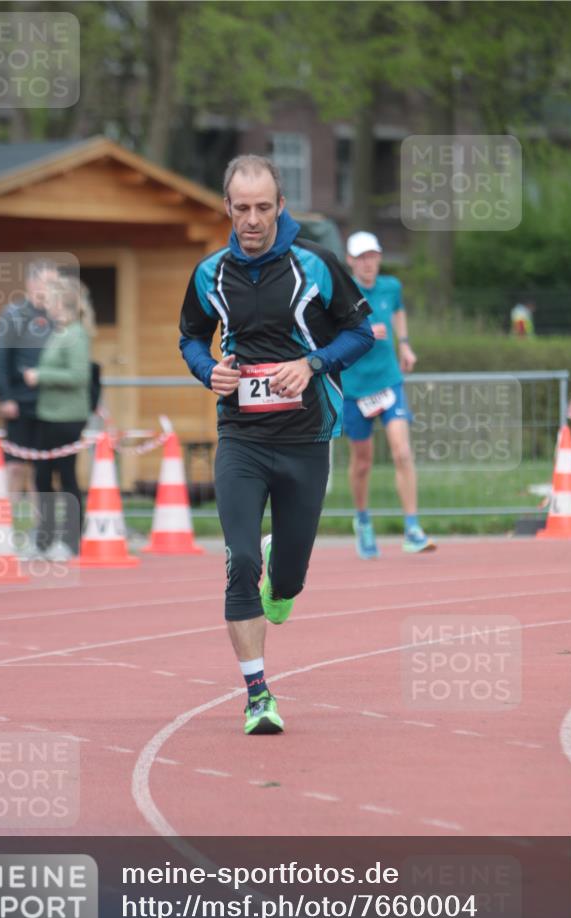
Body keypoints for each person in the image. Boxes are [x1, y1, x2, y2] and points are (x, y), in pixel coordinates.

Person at [179, 154, 374, 735]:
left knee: (285, 581)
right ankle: (257, 694)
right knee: (240, 562)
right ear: (227, 208)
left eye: (264, 207)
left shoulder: (317, 265)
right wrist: (207, 369)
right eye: (242, 209)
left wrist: (311, 364)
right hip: (240, 436)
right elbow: (190, 336)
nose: (253, 220)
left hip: (306, 438)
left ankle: (280, 576)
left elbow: (361, 333)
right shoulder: (209, 273)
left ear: (280, 205)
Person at [341, 232, 436, 558]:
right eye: (361, 257)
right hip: (354, 387)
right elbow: (326, 332)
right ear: (351, 261)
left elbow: (397, 311)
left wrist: (405, 343)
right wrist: (363, 333)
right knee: (363, 462)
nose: (368, 263)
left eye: (373, 256)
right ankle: (363, 520)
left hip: (388, 381)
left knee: (402, 452)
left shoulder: (391, 287)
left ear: (379, 258)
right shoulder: (341, 292)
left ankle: (412, 528)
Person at [22, 276, 92, 559]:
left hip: (66, 417)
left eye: (50, 299)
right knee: (41, 478)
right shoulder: (59, 332)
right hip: (48, 415)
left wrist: (40, 375)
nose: (45, 305)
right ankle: (45, 538)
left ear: (61, 303)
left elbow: (78, 376)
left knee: (65, 477)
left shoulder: (76, 334)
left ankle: (71, 540)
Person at [0, 259, 57, 498]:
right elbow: (0, 359)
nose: (51, 287)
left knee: (43, 469)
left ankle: (40, 531)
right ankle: (6, 526)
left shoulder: (59, 315)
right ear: (31, 283)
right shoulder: (13, 314)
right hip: (19, 402)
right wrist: (5, 397)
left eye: (55, 283)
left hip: (50, 404)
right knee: (15, 466)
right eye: (47, 282)